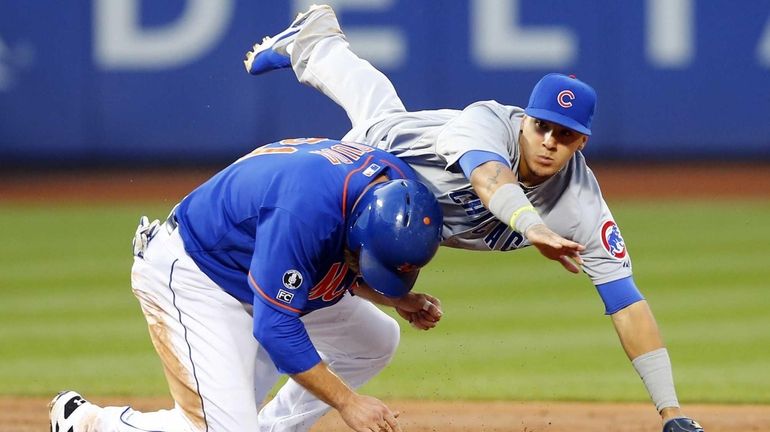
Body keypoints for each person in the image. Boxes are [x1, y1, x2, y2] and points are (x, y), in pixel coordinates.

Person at [243, 5, 705, 432]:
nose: (547, 140)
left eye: (564, 135)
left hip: (412, 200)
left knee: (376, 101)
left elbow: (626, 303)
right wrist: (533, 227)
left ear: (581, 143)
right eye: (540, 125)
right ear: (524, 119)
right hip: (377, 160)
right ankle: (319, 46)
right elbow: (489, 179)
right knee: (305, 274)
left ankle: (320, 42)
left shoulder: (580, 204)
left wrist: (672, 412)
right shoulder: (487, 122)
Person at [48, 137, 445, 432]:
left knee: (374, 339)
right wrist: (348, 402)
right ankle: (88, 423)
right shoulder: (305, 212)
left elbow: (337, 254)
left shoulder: (394, 188)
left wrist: (395, 297)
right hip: (196, 276)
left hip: (256, 271)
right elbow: (276, 328)